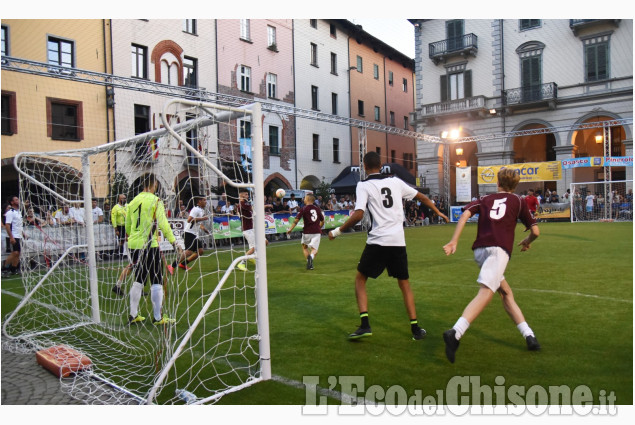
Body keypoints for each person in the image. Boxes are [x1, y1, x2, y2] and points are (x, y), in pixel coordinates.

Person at [328, 152, 449, 341]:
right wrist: (438, 212)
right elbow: (423, 197)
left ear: (364, 167)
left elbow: (359, 214)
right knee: (404, 284)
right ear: (381, 165)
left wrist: (337, 231)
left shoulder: (364, 185)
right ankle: (416, 329)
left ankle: (365, 325)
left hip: (378, 240)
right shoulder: (395, 182)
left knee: (360, 279)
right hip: (398, 241)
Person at [441, 168, 541, 363]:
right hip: (498, 250)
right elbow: (536, 232)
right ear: (515, 185)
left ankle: (529, 336)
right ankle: (455, 333)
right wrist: (527, 241)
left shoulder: (484, 198)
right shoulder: (519, 201)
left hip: (479, 251)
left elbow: (464, 215)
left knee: (505, 293)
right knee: (486, 292)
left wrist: (454, 241)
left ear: (498, 183)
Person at [125, 174, 180, 325]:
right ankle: (157, 318)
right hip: (149, 244)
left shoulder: (132, 201)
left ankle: (133, 314)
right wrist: (174, 242)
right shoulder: (155, 200)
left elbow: (128, 226)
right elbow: (163, 223)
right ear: (154, 184)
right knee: (156, 279)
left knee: (139, 278)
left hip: (133, 244)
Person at [286, 193, 324, 270]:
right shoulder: (317, 209)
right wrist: (318, 227)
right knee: (314, 249)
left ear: (308, 199)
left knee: (305, 247)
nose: (304, 199)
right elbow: (322, 221)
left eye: (305, 198)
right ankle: (311, 259)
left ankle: (309, 261)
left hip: (307, 232)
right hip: (316, 232)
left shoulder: (304, 208)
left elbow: (296, 221)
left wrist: (290, 229)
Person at [172, 196, 211, 271]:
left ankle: (183, 264)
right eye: (204, 200)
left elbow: (199, 223)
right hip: (189, 233)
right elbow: (189, 220)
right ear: (199, 201)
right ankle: (172, 266)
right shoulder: (196, 209)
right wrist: (202, 218)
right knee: (189, 252)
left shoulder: (201, 210)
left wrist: (204, 229)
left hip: (194, 234)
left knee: (200, 251)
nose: (206, 201)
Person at [236, 189, 269, 271]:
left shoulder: (245, 203)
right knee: (254, 247)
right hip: (247, 229)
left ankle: (251, 257)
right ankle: (241, 263)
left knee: (265, 242)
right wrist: (265, 206)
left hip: (253, 228)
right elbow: (253, 209)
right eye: (246, 194)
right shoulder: (242, 204)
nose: (248, 196)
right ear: (241, 195)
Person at [2, 196, 25, 277]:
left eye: (18, 199)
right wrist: (11, 237)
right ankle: (4, 269)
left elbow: (18, 225)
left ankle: (13, 269)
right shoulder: (10, 212)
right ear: (12, 202)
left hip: (19, 235)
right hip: (14, 235)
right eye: (16, 200)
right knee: (15, 252)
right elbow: (7, 225)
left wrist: (23, 233)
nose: (18, 201)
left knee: (18, 253)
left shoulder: (18, 212)